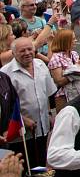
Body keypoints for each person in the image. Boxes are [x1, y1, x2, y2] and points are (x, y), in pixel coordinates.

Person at [1, 37, 57, 167]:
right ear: (13, 53)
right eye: (22, 51)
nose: (27, 53)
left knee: (40, 168)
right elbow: (4, 107)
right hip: (20, 134)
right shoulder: (5, 73)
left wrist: (50, 115)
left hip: (42, 129)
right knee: (22, 168)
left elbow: (49, 94)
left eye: (29, 49)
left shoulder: (41, 65)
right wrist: (23, 120)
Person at [47, 28, 80, 111]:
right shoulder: (56, 58)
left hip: (79, 92)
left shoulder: (74, 54)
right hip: (64, 97)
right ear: (65, 41)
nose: (75, 41)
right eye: (73, 39)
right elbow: (59, 81)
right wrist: (77, 69)